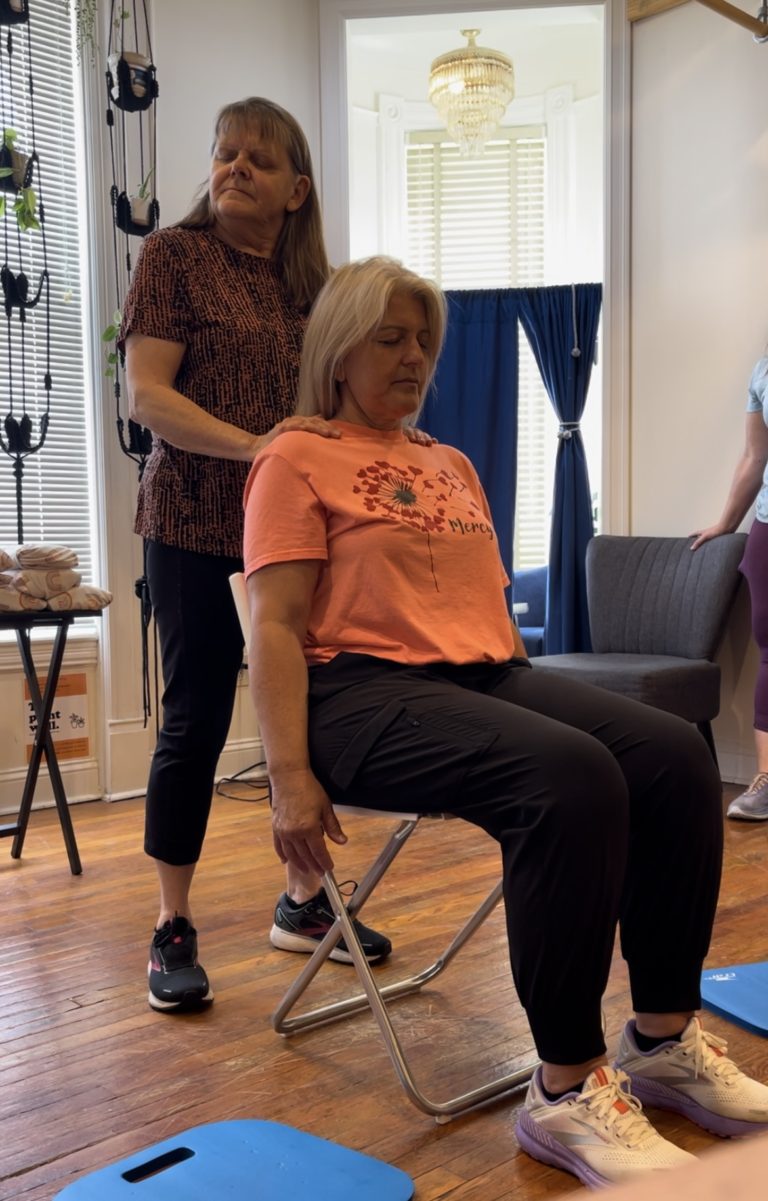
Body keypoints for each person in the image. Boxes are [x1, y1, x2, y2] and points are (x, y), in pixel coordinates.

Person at [242, 256, 768, 1189]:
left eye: (424, 340)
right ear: (337, 349)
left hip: (482, 674)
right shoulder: (292, 455)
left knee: (677, 753)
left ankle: (661, 1036)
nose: (414, 357)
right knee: (568, 776)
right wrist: (286, 775)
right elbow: (276, 627)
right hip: (355, 695)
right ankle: (564, 1090)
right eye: (390, 337)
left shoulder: (449, 460)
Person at [120, 98, 403, 1014]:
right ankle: (171, 923)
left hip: (293, 532)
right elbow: (148, 398)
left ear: (297, 189)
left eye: (259, 159)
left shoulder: (316, 287)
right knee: (194, 721)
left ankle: (304, 901)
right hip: (195, 525)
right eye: (225, 153)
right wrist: (260, 448)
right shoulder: (173, 256)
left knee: (307, 719)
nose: (235, 167)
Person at [692, 356, 768, 821]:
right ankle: (767, 780)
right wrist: (726, 523)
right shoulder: (763, 371)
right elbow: (755, 457)